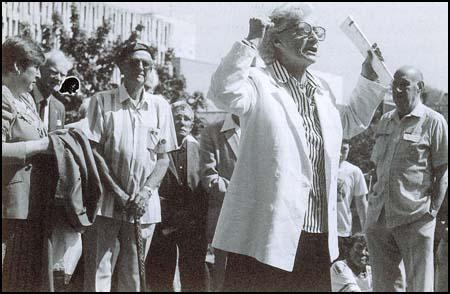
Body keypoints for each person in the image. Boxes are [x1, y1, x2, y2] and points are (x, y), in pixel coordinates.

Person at [208, 2, 388, 291]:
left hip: (316, 236)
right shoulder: (258, 82)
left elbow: (350, 123)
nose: (314, 38)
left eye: (317, 32)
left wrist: (369, 75)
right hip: (265, 234)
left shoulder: (322, 91)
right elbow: (222, 92)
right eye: (304, 31)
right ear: (276, 39)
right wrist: (251, 41)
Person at [82, 41, 177, 292]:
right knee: (98, 273)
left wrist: (144, 193)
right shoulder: (102, 101)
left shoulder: (160, 107)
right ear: (121, 66)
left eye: (147, 63)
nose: (141, 67)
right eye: (135, 61)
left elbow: (163, 158)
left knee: (134, 276)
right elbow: (94, 152)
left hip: (143, 208)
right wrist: (120, 194)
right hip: (105, 204)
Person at [366, 66, 448, 292]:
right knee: (383, 285)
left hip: (415, 215)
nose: (397, 90)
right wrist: (371, 204)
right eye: (395, 85)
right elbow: (376, 166)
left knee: (419, 285)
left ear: (419, 87)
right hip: (380, 215)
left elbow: (442, 171)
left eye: (404, 84)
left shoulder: (434, 121)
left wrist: (431, 211)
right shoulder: (385, 119)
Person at [2, 36, 50, 291]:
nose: (39, 75)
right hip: (8, 210)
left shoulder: (27, 100)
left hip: (31, 206)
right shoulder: (3, 96)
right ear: (18, 66)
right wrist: (43, 146)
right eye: (36, 67)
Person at [146, 101, 208, 292]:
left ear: (192, 123)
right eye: (177, 117)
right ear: (170, 120)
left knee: (194, 274)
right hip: (162, 222)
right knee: (159, 274)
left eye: (187, 118)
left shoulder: (201, 150)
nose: (182, 122)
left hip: (192, 224)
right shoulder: (157, 148)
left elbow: (204, 190)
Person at [199, 113, 240, 291]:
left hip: (259, 219)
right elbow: (209, 177)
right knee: (222, 276)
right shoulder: (212, 131)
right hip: (226, 217)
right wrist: (243, 195)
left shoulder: (263, 129)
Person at [336, 140, 368, 259]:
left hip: (342, 231)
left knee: (340, 269)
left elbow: (361, 204)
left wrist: (365, 232)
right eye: (337, 148)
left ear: (350, 148)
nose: (340, 154)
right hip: (320, 230)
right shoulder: (320, 167)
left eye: (344, 149)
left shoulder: (354, 171)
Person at [31, 49, 72, 132]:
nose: (59, 78)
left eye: (63, 75)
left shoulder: (59, 108)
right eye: (54, 72)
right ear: (40, 69)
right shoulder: (21, 97)